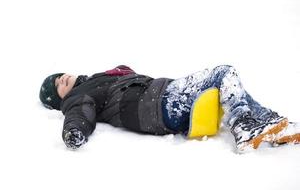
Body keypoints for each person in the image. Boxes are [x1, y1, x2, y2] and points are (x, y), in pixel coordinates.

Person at [39, 65, 300, 153]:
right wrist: (73, 131)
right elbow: (78, 114)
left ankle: (271, 126)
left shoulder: (96, 79)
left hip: (160, 98)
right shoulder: (78, 97)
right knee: (223, 73)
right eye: (56, 85)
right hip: (157, 104)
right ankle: (246, 127)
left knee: (226, 87)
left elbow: (125, 76)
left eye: (59, 75)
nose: (60, 79)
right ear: (58, 100)